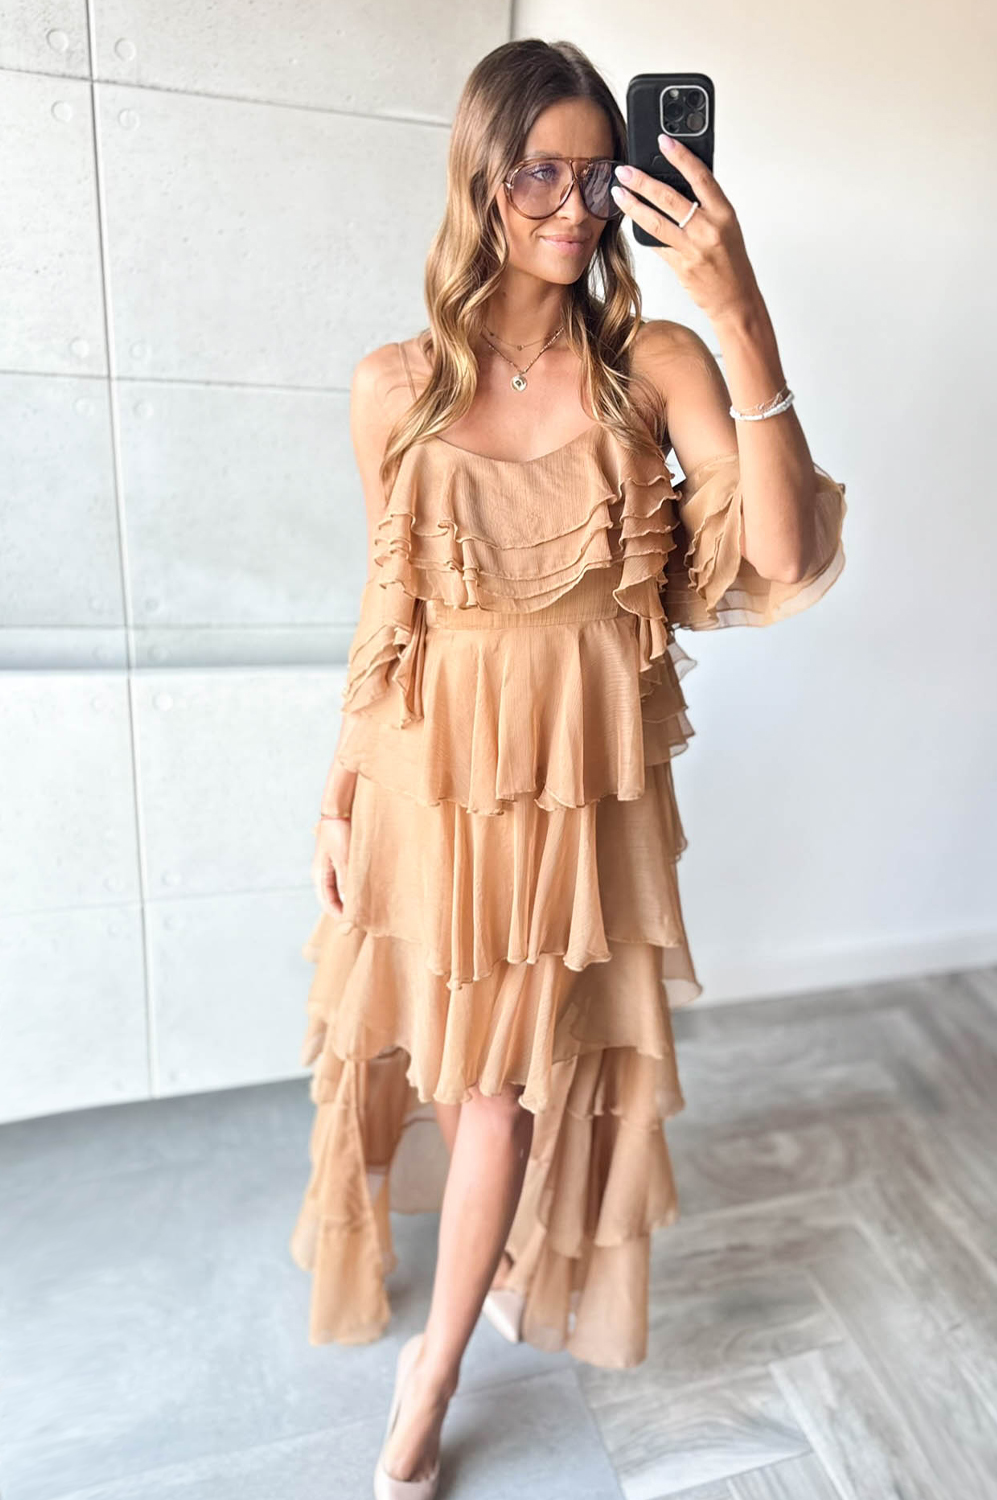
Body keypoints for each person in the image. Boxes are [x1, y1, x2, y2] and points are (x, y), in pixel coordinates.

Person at [289, 36, 847, 1499]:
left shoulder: (653, 367)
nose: (575, 205)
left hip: (578, 793)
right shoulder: (395, 385)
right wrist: (338, 795)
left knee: (499, 1089)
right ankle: (454, 1305)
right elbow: (386, 605)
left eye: (601, 175)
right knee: (447, 1062)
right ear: (480, 176)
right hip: (428, 783)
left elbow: (784, 551)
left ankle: (430, 1374)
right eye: (540, 171)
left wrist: (738, 305)